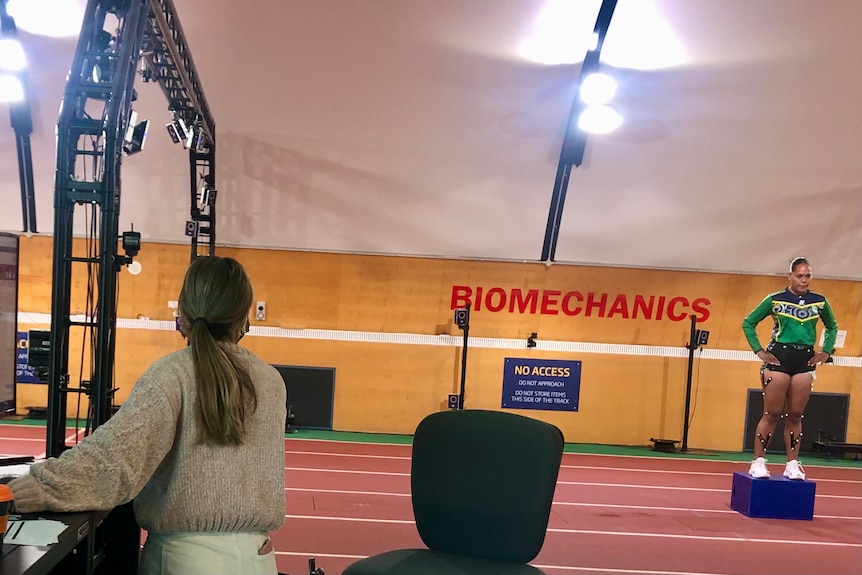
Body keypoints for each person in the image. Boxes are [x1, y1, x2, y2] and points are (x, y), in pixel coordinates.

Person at [7, 256, 286, 575]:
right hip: (261, 559)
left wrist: (16, 492)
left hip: (184, 561)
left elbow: (111, 465)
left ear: (182, 313)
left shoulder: (171, 375)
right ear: (245, 317)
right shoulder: (271, 381)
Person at [742, 257, 838, 480]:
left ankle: (792, 464)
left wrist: (826, 351)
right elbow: (748, 322)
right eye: (799, 276)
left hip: (804, 359)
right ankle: (758, 462)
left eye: (807, 276)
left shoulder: (820, 302)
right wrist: (759, 350)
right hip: (779, 358)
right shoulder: (775, 299)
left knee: (795, 414)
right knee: (772, 413)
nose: (804, 280)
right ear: (790, 276)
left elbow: (832, 326)